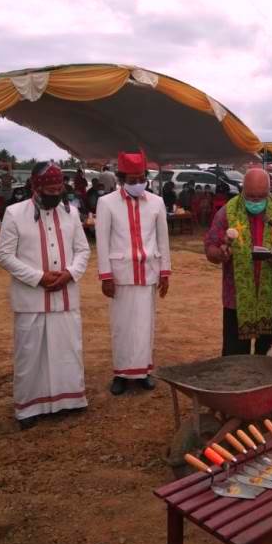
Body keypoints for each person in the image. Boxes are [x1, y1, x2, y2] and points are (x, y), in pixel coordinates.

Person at [0, 162, 91, 429]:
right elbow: (4, 255)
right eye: (49, 188)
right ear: (36, 187)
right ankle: (29, 408)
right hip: (31, 298)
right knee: (30, 353)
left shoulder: (71, 213)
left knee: (67, 349)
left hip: (66, 295)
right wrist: (37, 277)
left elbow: (83, 250)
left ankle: (69, 401)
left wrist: (70, 273)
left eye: (59, 187)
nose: (55, 192)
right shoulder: (14, 213)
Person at [96, 150, 171, 395]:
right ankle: (120, 373)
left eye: (141, 179)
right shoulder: (107, 203)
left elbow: (163, 240)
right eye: (132, 180)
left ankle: (143, 372)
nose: (138, 184)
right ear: (120, 179)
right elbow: (103, 241)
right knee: (122, 325)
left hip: (148, 271)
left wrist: (165, 272)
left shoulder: (157, 202)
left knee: (145, 324)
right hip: (121, 274)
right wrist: (105, 276)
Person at [204, 169, 272, 356]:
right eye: (251, 196)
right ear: (242, 190)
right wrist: (220, 254)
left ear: (270, 192)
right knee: (235, 356)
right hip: (237, 297)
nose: (255, 202)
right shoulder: (227, 213)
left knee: (269, 354)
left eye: (261, 196)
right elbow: (210, 249)